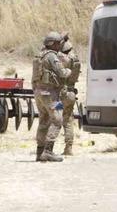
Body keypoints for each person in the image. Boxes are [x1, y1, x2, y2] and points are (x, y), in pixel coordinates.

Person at [32, 31, 70, 162]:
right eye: (58, 43)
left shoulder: (39, 56)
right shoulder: (51, 56)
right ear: (52, 44)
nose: (60, 45)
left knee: (43, 121)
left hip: (39, 93)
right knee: (58, 120)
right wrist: (69, 70)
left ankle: (39, 151)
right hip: (51, 95)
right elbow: (62, 73)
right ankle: (48, 151)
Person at [58, 40, 82, 156]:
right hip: (71, 93)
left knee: (54, 118)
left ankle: (47, 147)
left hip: (61, 93)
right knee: (68, 120)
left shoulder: (62, 59)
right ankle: (68, 148)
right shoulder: (75, 60)